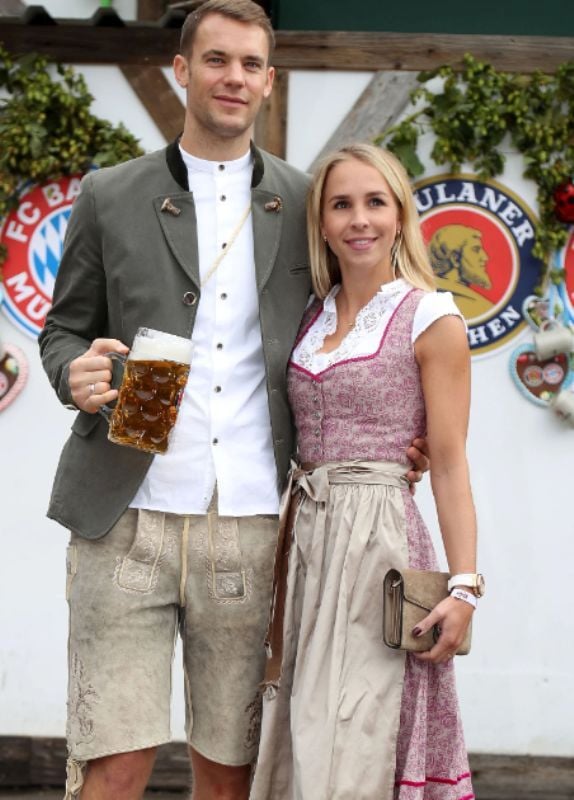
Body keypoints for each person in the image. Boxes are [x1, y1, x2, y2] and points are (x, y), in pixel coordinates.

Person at [39, 3, 428, 798]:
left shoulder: (307, 201)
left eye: (250, 64)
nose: (233, 78)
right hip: (123, 519)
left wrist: (400, 436)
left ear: (269, 81)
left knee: (232, 772)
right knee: (113, 769)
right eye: (216, 60)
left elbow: (365, 323)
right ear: (182, 70)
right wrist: (73, 372)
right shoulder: (110, 195)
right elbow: (64, 330)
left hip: (254, 524)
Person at [250, 143, 482, 800]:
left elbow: (449, 463)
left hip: (381, 549)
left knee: (360, 735)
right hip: (305, 548)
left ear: (400, 214)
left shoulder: (431, 316)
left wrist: (464, 589)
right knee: (302, 730)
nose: (360, 219)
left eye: (375, 202)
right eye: (342, 204)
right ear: (320, 222)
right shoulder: (306, 317)